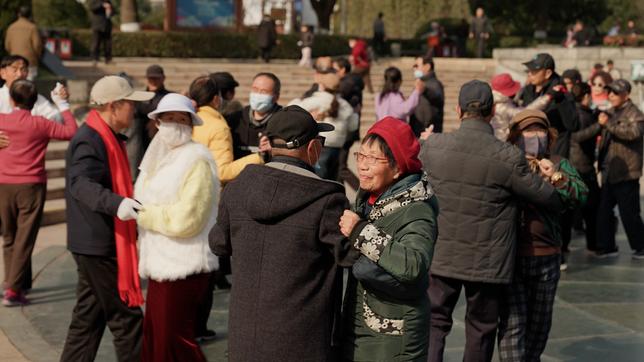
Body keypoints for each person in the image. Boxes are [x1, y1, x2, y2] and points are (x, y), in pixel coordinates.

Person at [419, 80, 562, 362]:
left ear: (458, 110)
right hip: (488, 260)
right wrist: (553, 175)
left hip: (442, 255)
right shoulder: (507, 156)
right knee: (481, 329)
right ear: (493, 111)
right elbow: (549, 199)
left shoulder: (433, 147)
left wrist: (425, 141)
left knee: (434, 325)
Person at [210, 105, 357, 361]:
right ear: (312, 148)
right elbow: (350, 255)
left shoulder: (237, 189)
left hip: (245, 338)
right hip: (303, 340)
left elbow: (219, 244)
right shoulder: (327, 200)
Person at [60, 76, 154, 362]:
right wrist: (117, 204)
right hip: (98, 244)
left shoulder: (104, 134)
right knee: (127, 321)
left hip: (94, 242)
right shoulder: (89, 139)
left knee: (88, 319)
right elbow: (80, 184)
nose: (135, 112)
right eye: (131, 105)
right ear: (114, 106)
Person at [340, 117, 438, 361]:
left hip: (392, 333)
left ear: (397, 168)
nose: (363, 166)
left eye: (373, 159)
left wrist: (361, 232)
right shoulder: (371, 196)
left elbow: (413, 264)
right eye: (360, 156)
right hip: (364, 324)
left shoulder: (417, 209)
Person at [498, 110, 587, 362]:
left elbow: (581, 195)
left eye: (539, 131)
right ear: (516, 136)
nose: (534, 136)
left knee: (539, 327)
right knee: (512, 326)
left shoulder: (558, 162)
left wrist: (556, 178)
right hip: (511, 257)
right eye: (527, 131)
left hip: (547, 258)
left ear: (549, 136)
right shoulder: (506, 163)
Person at [134, 93, 218, 362]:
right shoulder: (157, 157)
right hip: (159, 264)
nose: (174, 125)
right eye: (168, 119)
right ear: (157, 123)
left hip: (185, 266)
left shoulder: (198, 159)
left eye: (181, 120)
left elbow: (188, 220)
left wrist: (142, 214)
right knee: (155, 337)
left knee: (176, 341)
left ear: (191, 124)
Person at [0, 80, 77, 306]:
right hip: (31, 186)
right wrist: (62, 104)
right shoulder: (40, 123)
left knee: (9, 238)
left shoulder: (2, 121)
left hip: (3, 184)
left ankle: (11, 284)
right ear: (34, 102)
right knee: (24, 239)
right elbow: (72, 131)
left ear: (11, 100)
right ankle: (13, 290)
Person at [578, 79, 644, 259]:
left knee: (629, 213)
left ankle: (640, 246)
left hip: (627, 172)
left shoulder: (635, 114)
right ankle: (607, 246)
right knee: (603, 212)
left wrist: (608, 125)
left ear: (626, 95)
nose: (612, 95)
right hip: (609, 171)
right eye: (610, 92)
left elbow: (633, 133)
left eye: (616, 92)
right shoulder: (610, 112)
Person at [288, 73, 358, 180]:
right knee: (332, 180)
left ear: (322, 86)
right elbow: (353, 126)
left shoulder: (316, 100)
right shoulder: (344, 104)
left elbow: (291, 108)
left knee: (318, 180)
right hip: (338, 149)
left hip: (320, 147)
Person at [519, 53, 580, 158]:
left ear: (547, 73)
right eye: (529, 71)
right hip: (531, 147)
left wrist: (560, 100)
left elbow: (573, 125)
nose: (529, 74)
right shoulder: (529, 89)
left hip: (555, 151)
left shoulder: (561, 92)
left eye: (534, 71)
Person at [568, 83, 600, 255]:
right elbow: (577, 136)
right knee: (591, 208)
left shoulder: (579, 112)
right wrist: (598, 125)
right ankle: (592, 245)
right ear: (586, 96)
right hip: (581, 166)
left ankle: (587, 244)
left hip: (579, 165)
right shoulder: (579, 114)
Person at [127, 64, 171, 180]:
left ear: (163, 78)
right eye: (151, 78)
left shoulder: (169, 97)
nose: (154, 81)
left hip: (161, 144)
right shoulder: (140, 98)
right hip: (140, 144)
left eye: (157, 78)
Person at [226, 72, 282, 160]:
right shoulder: (235, 119)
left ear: (276, 97)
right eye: (255, 90)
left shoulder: (283, 121)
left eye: (264, 92)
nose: (258, 95)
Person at [490, 73, 551, 141]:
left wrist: (524, 87)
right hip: (504, 141)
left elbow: (512, 100)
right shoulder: (503, 108)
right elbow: (525, 112)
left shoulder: (495, 100)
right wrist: (547, 97)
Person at [333, 57, 364, 189]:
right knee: (338, 166)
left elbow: (337, 96)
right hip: (346, 130)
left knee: (340, 167)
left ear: (343, 70)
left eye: (334, 70)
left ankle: (363, 192)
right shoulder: (351, 82)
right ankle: (339, 195)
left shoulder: (348, 83)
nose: (332, 73)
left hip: (345, 131)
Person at [0, 55, 62, 122]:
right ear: (3, 73)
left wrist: (61, 102)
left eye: (23, 69)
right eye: (15, 70)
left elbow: (54, 116)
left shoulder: (35, 97)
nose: (19, 74)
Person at [4, 6, 42, 81]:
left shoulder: (11, 27)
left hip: (14, 60)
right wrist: (37, 56)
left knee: (15, 84)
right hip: (30, 61)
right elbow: (37, 45)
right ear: (30, 15)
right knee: (28, 85)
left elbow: (7, 46)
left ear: (19, 14)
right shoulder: (32, 28)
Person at [410, 56, 445, 135]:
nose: (414, 68)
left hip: (428, 132)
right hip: (417, 130)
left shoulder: (435, 84)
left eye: (416, 66)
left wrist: (425, 90)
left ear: (427, 66)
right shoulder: (420, 82)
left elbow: (437, 97)